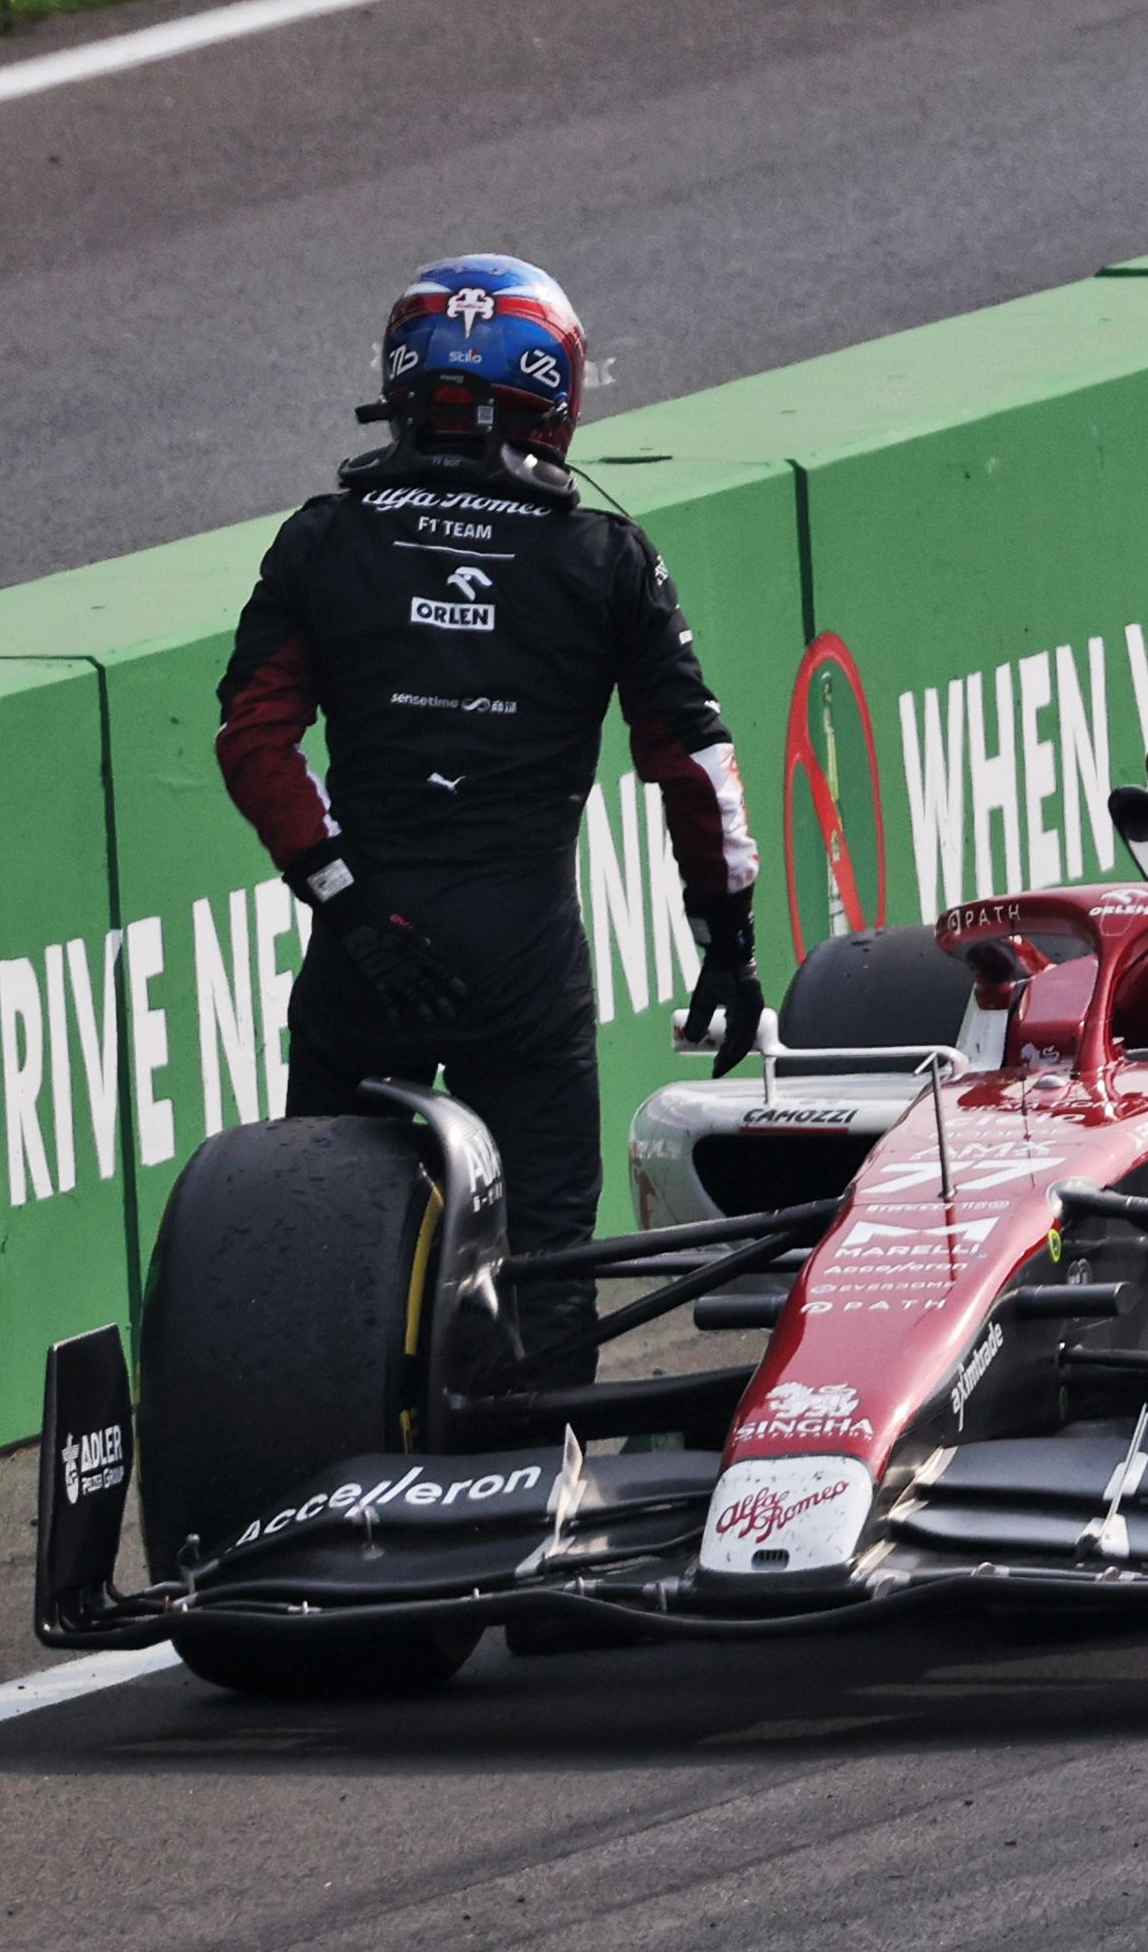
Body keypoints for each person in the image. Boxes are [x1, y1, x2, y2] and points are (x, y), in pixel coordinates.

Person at [211, 254, 760, 1385]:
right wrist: (728, 936)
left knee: (315, 1253)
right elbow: (695, 768)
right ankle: (533, 1495)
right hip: (524, 961)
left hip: (367, 955)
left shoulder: (322, 537)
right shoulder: (606, 554)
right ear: (554, 400)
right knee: (547, 1264)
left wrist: (348, 904)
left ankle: (315, 1480)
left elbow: (254, 742)